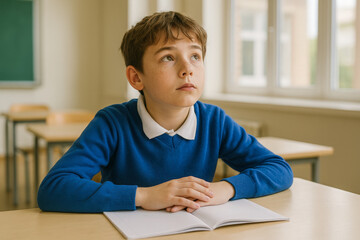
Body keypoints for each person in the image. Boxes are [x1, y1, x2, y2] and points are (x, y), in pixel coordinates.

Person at [37, 11, 293, 213]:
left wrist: (223, 189)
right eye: (168, 58)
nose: (187, 69)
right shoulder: (112, 122)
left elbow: (278, 169)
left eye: (195, 56)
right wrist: (146, 195)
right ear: (136, 77)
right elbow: (54, 188)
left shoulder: (214, 120)